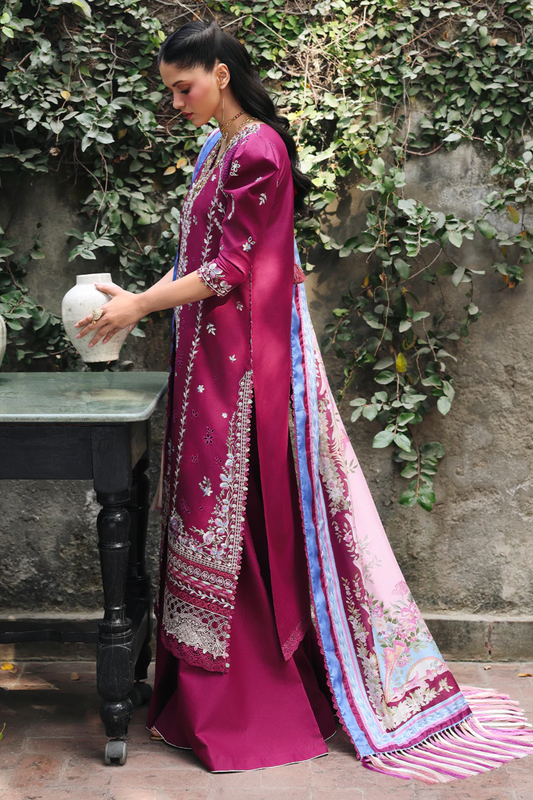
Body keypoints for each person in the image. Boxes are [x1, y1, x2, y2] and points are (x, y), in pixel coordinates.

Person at [75, 19, 533, 783]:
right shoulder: (213, 148)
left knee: (238, 516)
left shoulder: (258, 150)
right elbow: (194, 259)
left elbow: (226, 271)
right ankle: (193, 698)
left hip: (243, 362)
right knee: (201, 510)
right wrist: (137, 302)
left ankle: (245, 705)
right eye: (170, 91)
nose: (176, 102)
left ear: (220, 74)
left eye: (183, 88)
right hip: (205, 356)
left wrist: (141, 308)